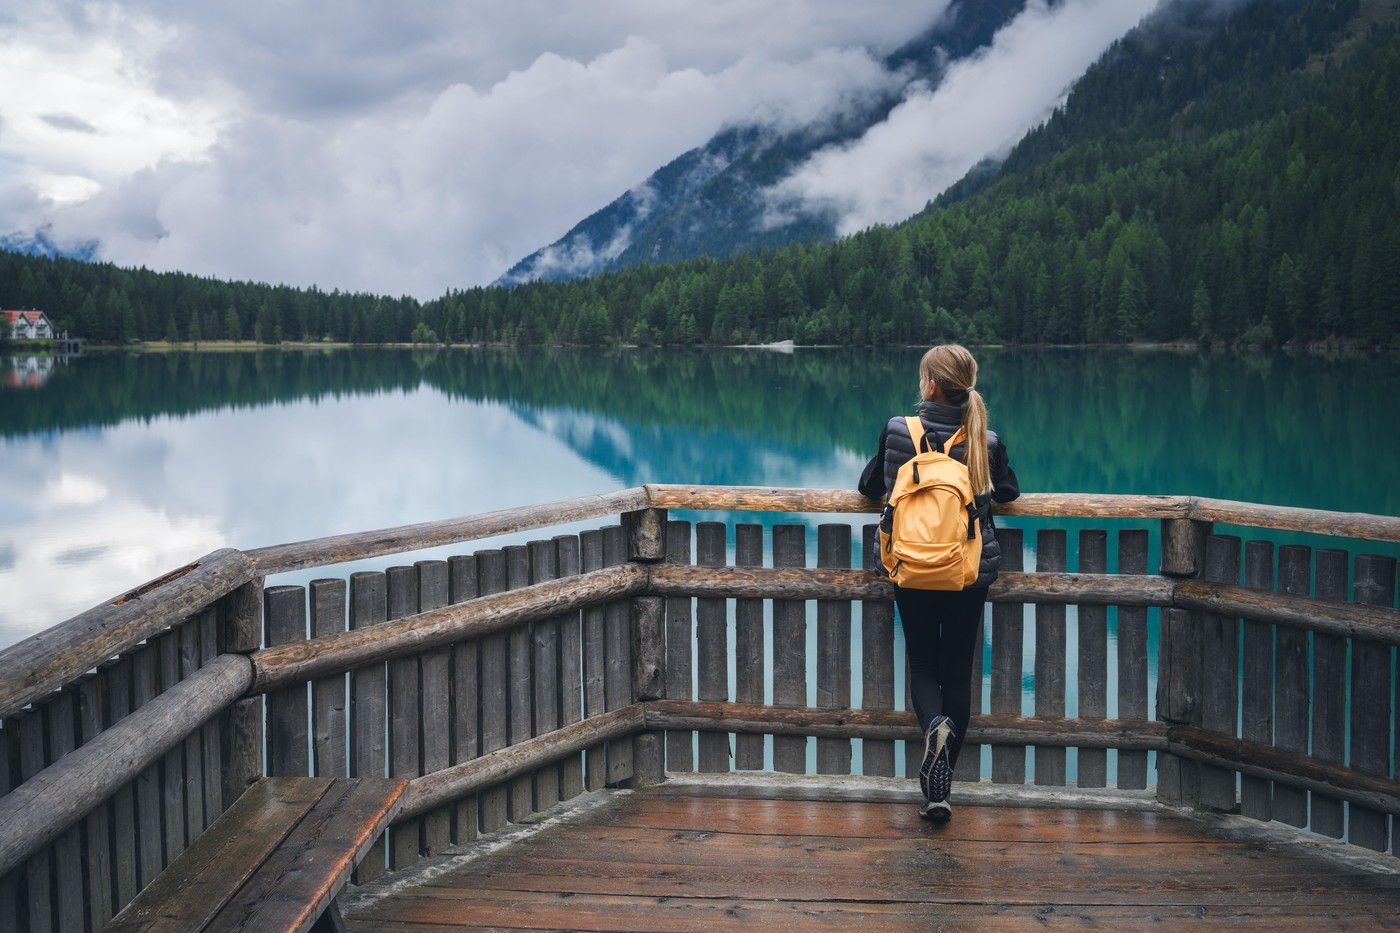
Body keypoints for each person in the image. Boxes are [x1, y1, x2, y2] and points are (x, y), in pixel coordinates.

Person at [858, 344, 1019, 823]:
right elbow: (1009, 492)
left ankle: (933, 730)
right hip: (968, 573)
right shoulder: (984, 441)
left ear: (929, 385)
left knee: (924, 664)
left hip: (910, 568)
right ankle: (939, 792)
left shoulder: (897, 431)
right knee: (957, 673)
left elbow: (870, 487)